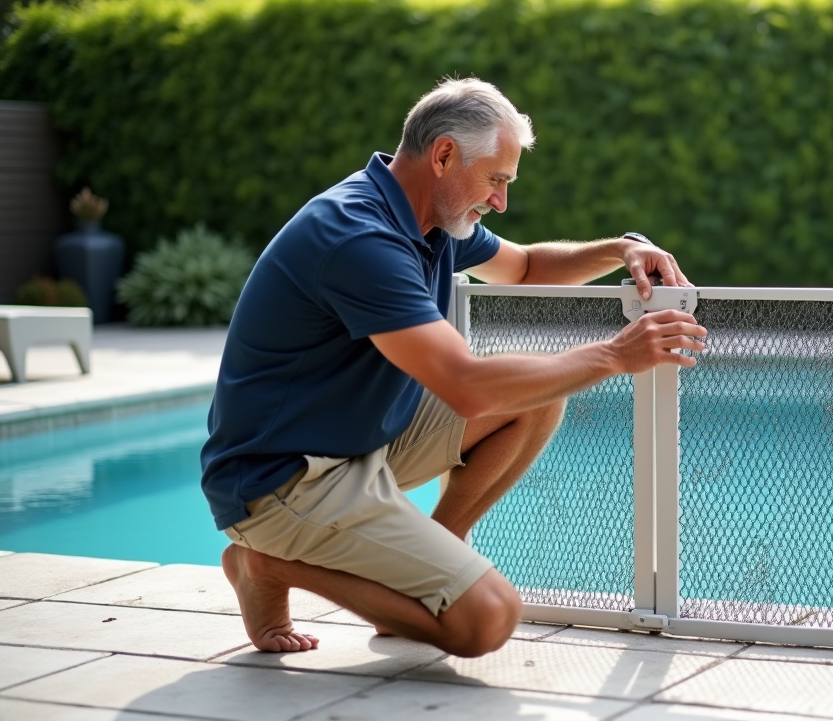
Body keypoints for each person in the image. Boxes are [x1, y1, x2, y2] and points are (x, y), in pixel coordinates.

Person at [201, 77, 706, 657]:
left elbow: (525, 267)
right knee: (486, 621)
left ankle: (435, 560)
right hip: (282, 478)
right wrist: (615, 355)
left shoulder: (429, 219)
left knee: (538, 395)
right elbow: (466, 388)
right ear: (443, 155)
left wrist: (622, 248)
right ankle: (264, 565)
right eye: (496, 179)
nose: (501, 202)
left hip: (356, 441)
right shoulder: (359, 237)